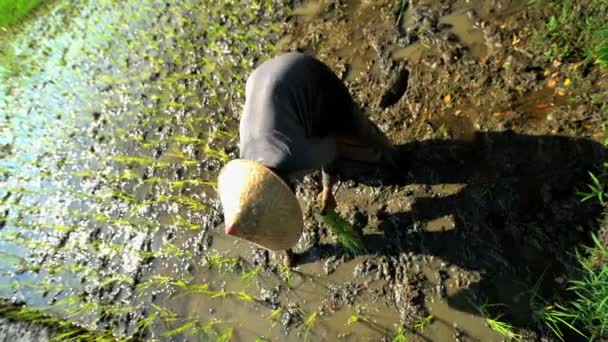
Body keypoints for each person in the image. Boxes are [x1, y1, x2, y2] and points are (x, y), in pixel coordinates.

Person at [217, 52, 398, 266]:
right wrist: (289, 255)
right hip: (261, 77)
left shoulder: (295, 156)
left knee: (357, 130)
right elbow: (273, 214)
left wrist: (327, 189)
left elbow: (333, 146)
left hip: (308, 75)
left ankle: (395, 157)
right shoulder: (246, 167)